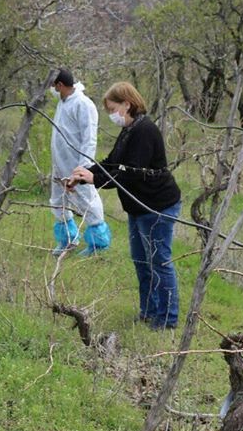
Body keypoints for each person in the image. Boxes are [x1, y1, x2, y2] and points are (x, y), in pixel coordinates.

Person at [66, 82, 182, 329]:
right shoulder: (130, 129)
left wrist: (94, 179)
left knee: (159, 261)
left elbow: (130, 173)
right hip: (138, 208)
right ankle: (148, 312)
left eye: (112, 108)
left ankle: (167, 320)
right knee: (141, 262)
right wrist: (86, 172)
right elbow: (113, 163)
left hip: (157, 206)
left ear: (127, 104)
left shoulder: (144, 131)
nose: (111, 114)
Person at [49, 68, 111, 256]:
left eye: (54, 86)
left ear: (60, 85)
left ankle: (97, 244)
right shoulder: (63, 101)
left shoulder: (84, 104)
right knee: (58, 201)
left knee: (87, 201)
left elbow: (89, 138)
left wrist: (82, 168)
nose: (53, 90)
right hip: (59, 164)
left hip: (76, 165)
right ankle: (68, 239)